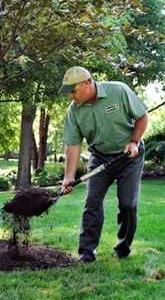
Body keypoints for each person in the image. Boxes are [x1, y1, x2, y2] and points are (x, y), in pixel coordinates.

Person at [60, 66, 148, 262]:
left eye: (73, 91)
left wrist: (134, 141)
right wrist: (68, 176)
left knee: (127, 204)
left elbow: (142, 116)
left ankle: (123, 248)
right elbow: (73, 144)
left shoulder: (118, 91)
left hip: (129, 156)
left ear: (87, 83)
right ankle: (86, 252)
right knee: (92, 202)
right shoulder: (74, 111)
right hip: (100, 157)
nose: (70, 97)